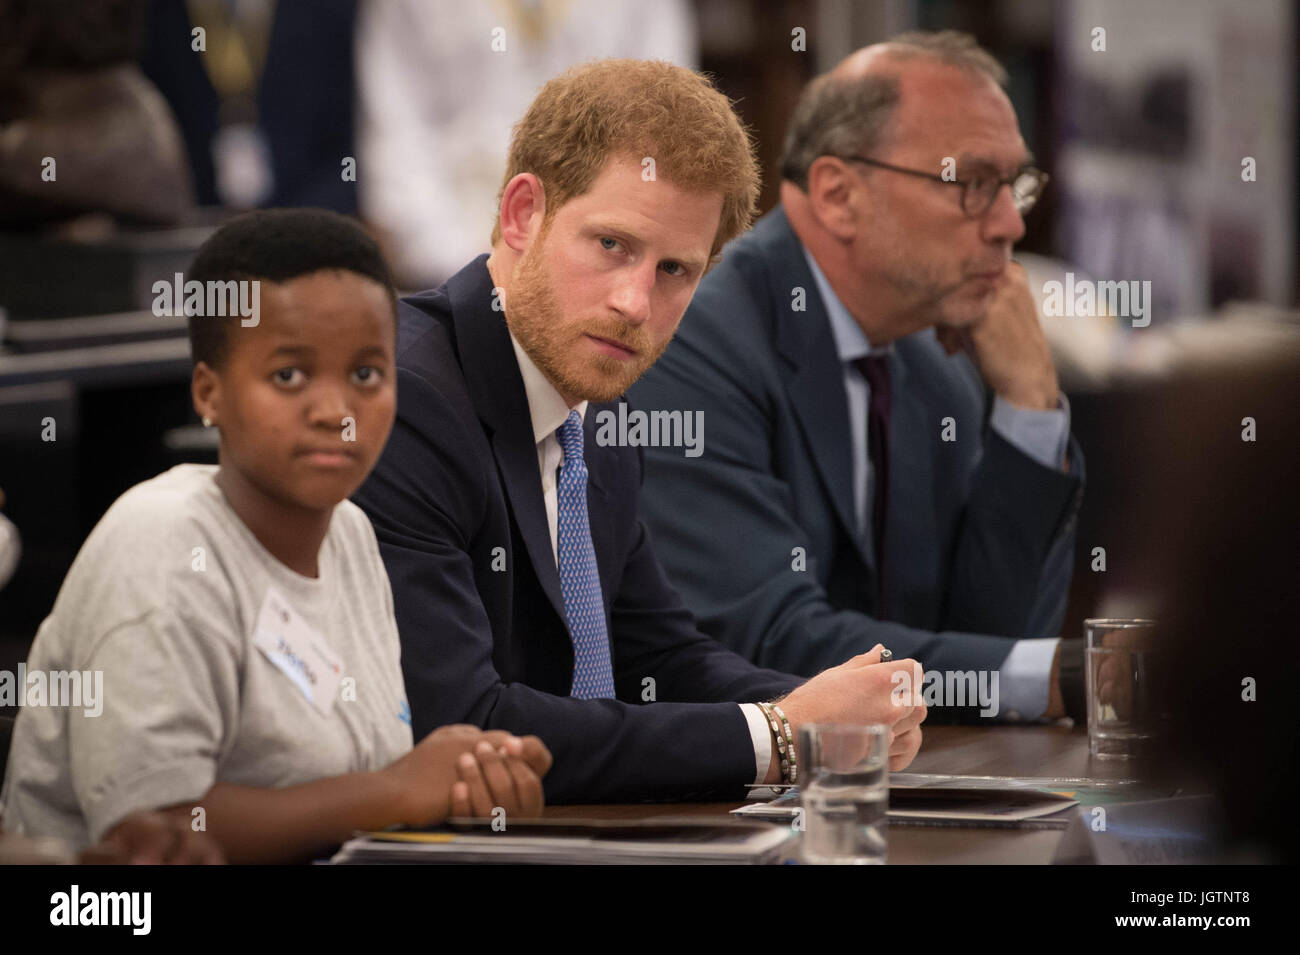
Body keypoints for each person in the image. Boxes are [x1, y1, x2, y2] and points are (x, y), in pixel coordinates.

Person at [352, 59, 926, 805]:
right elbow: (468, 726)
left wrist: (844, 707)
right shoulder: (409, 399)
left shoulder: (597, 402)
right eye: (612, 245)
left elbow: (661, 655)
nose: (634, 302)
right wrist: (782, 735)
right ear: (523, 213)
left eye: (675, 270)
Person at [0, 209, 551, 863]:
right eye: (289, 375)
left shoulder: (349, 532)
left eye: (367, 374)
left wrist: (463, 778)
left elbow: (364, 784)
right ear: (209, 392)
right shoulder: (163, 546)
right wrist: (396, 792)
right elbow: (162, 830)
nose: (334, 410)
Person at [628, 31, 1086, 723]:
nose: (1008, 223)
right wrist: (1072, 678)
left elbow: (988, 638)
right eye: (972, 183)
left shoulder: (930, 364)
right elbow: (771, 642)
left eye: (1015, 184)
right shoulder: (692, 338)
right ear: (839, 194)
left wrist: (1030, 408)